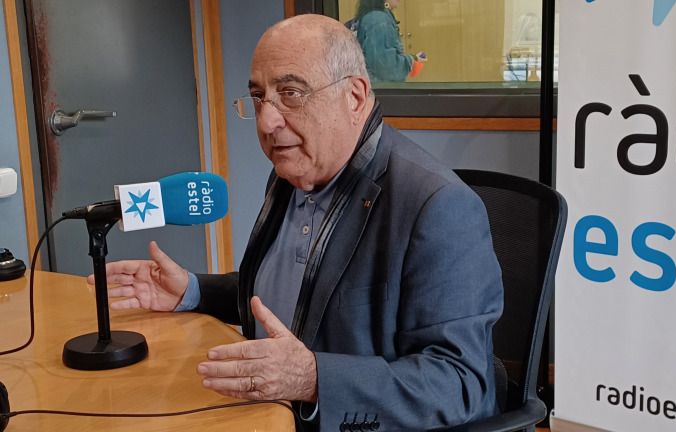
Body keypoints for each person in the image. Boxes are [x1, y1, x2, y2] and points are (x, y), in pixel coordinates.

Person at [92, 14, 502, 431]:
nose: (266, 122)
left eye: (291, 93)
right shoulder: (294, 171)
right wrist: (192, 291)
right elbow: (296, 294)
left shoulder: (438, 206)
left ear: (355, 97)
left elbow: (461, 383)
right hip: (265, 411)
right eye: (258, 97)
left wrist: (313, 379)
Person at [355, 0, 426, 82]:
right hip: (383, 87)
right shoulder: (379, 19)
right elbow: (385, 66)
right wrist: (410, 60)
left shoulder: (376, 16)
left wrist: (413, 59)